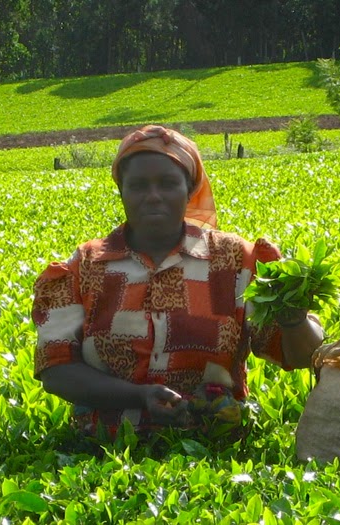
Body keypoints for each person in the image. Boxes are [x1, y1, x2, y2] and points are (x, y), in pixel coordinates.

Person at [32, 125, 324, 436]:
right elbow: (56, 369)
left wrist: (293, 319)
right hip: (105, 447)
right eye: (138, 185)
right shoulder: (85, 265)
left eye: (169, 184)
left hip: (214, 448)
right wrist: (139, 396)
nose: (153, 196)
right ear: (122, 191)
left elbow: (301, 356)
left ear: (189, 191)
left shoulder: (235, 260)